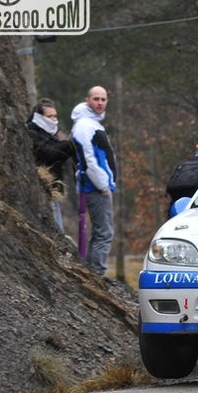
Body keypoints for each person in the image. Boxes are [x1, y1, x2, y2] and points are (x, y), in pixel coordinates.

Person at [71, 86, 115, 276]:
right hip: (94, 188)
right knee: (104, 233)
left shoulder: (93, 123)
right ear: (87, 100)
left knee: (100, 233)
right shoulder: (84, 125)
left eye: (103, 99)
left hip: (99, 186)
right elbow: (87, 159)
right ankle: (98, 275)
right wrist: (102, 185)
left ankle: (92, 273)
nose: (100, 103)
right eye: (96, 99)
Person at [26, 98, 75, 230]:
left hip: (54, 188)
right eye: (50, 116)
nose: (54, 119)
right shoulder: (32, 133)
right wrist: (69, 145)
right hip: (43, 188)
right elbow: (49, 153)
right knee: (55, 228)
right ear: (39, 117)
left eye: (55, 116)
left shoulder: (52, 134)